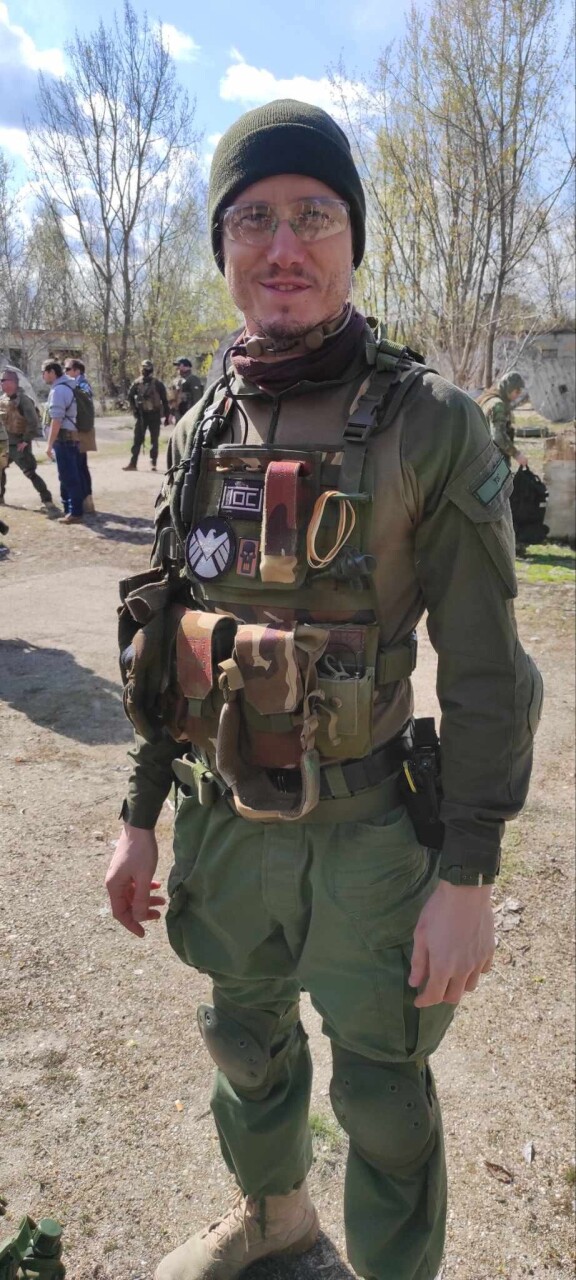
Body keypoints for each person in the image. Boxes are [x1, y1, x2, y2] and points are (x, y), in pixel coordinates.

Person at [105, 100, 543, 1280]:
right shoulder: (200, 423)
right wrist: (140, 815)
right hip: (223, 822)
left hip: (366, 836)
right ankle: (276, 1215)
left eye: (315, 215)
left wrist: (468, 872)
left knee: (386, 1090)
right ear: (223, 244)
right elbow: (162, 638)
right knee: (244, 1042)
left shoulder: (432, 425)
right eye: (253, 218)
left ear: (353, 237)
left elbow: (490, 670)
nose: (284, 246)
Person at [0, 368, 55, 510]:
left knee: (30, 473)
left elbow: (33, 422)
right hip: (5, 445)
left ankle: (47, 500)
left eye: (5, 380)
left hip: (19, 445)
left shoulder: (24, 400)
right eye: (1, 380)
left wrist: (25, 440)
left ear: (14, 382)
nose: (2, 383)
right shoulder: (3, 400)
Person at [41, 359, 84, 524]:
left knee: (69, 476)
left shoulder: (59, 390)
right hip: (70, 438)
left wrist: (49, 444)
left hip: (64, 440)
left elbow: (56, 420)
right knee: (68, 475)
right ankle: (69, 509)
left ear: (52, 372)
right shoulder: (68, 386)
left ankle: (75, 512)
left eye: (44, 372)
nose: (43, 376)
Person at [124, 360, 170, 472]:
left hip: (154, 415)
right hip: (142, 415)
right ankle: (133, 463)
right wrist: (135, 410)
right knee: (137, 440)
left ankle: (153, 463)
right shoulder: (137, 383)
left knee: (154, 440)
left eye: (147, 368)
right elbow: (130, 397)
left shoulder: (157, 384)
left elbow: (165, 401)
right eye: (144, 368)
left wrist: (167, 416)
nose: (145, 371)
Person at [64, 358, 96, 514]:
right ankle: (86, 500)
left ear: (77, 371)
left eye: (67, 369)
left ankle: (85, 501)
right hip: (79, 429)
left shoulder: (81, 384)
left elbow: (83, 400)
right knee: (81, 466)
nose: (65, 372)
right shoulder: (79, 383)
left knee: (79, 466)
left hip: (81, 431)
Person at [478, 371, 529, 468]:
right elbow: (498, 436)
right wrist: (516, 454)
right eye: (517, 391)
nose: (518, 395)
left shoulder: (490, 399)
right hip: (492, 459)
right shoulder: (498, 405)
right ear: (509, 388)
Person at [171, 357, 204, 421]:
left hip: (189, 414)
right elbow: (174, 398)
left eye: (179, 365)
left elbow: (197, 397)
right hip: (179, 414)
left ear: (186, 366)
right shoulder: (177, 380)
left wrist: (195, 413)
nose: (177, 368)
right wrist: (172, 413)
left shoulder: (193, 379)